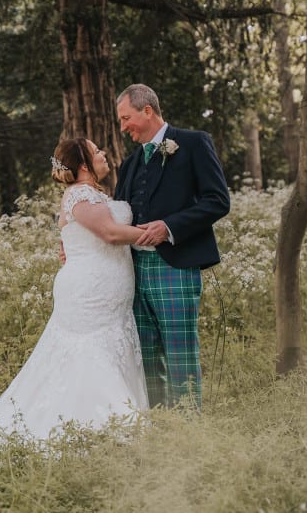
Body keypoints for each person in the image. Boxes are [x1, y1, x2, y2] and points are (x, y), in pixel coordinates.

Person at [0, 138, 149, 445]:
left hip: (108, 292)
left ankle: (109, 424)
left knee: (106, 350)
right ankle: (102, 426)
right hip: (91, 292)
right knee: (91, 354)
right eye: (97, 150)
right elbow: (110, 233)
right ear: (84, 164)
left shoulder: (91, 195)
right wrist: (158, 233)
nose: (104, 153)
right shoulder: (81, 194)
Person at [115, 83, 230, 409]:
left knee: (180, 353)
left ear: (147, 110)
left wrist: (169, 227)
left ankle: (188, 432)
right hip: (133, 272)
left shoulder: (194, 143)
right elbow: (115, 215)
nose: (124, 128)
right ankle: (158, 427)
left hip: (176, 267)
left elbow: (218, 201)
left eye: (126, 119)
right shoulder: (129, 164)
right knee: (145, 355)